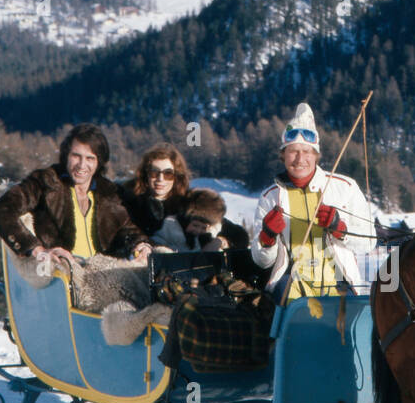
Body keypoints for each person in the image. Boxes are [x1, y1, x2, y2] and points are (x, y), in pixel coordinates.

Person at [252, 103, 374, 299]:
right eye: (293, 151)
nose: (300, 159)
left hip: (339, 284)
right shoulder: (269, 197)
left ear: (316, 155)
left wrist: (340, 229)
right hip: (291, 287)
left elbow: (369, 242)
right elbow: (261, 261)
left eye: (307, 152)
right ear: (282, 155)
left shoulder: (345, 187)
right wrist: (267, 238)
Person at [0, 123, 148, 270]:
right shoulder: (46, 182)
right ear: (66, 155)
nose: (81, 165)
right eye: (76, 156)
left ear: (99, 163)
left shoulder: (110, 193)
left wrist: (141, 244)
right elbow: (2, 212)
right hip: (62, 278)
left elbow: (129, 230)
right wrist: (36, 249)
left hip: (102, 275)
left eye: (90, 158)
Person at [158, 188, 260, 285]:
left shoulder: (214, 227)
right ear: (185, 221)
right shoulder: (171, 228)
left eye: (203, 227)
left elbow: (241, 236)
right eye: (195, 225)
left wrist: (221, 241)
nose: (198, 230)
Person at [119, 144, 191, 246]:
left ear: (177, 176)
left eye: (168, 173)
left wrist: (221, 239)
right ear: (146, 175)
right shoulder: (128, 204)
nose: (160, 179)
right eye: (154, 173)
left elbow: (215, 223)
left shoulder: (189, 204)